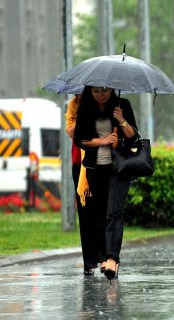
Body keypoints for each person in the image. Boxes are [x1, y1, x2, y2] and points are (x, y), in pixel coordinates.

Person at [74, 86, 138, 280]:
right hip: (95, 169)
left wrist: (121, 119)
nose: (100, 95)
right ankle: (102, 257)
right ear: (89, 92)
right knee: (100, 214)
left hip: (119, 168)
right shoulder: (86, 109)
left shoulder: (122, 105)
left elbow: (133, 137)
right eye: (95, 92)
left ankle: (112, 259)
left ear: (111, 89)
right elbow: (80, 140)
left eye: (104, 91)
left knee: (114, 213)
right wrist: (101, 141)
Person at [65, 93, 106, 276]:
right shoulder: (74, 105)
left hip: (102, 161)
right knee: (85, 212)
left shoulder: (103, 103)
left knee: (102, 211)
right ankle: (88, 261)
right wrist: (83, 116)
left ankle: (104, 258)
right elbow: (71, 132)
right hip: (79, 164)